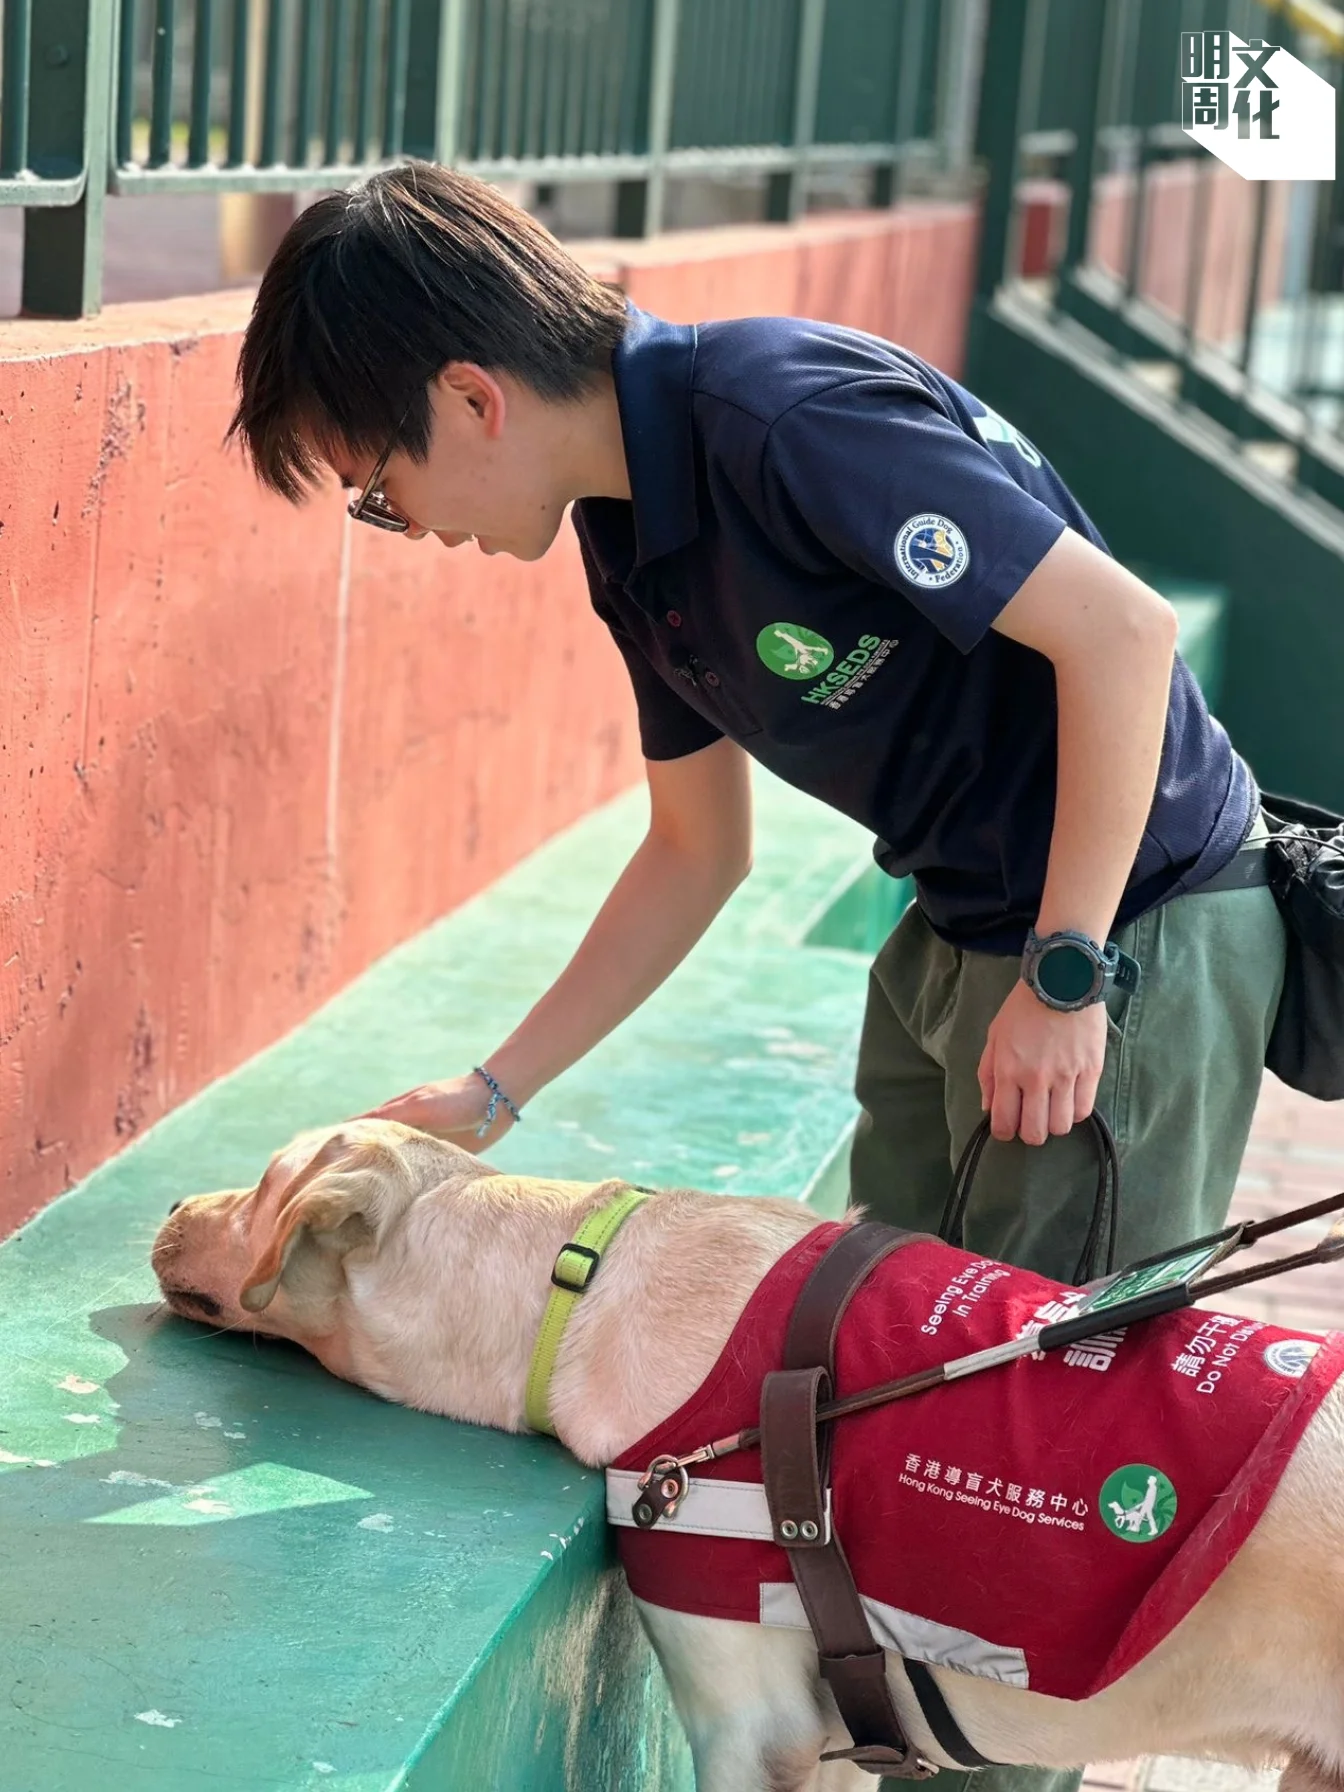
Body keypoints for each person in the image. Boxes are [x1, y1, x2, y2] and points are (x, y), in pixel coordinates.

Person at [229, 161, 1285, 1792]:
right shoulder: (627, 536)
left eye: (377, 487)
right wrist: (495, 1090)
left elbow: (1124, 636)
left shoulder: (783, 418)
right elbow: (691, 851)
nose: (408, 531)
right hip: (959, 930)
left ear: (468, 396)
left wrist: (1072, 973)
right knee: (898, 1422)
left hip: (1127, 927)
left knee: (1040, 1447)